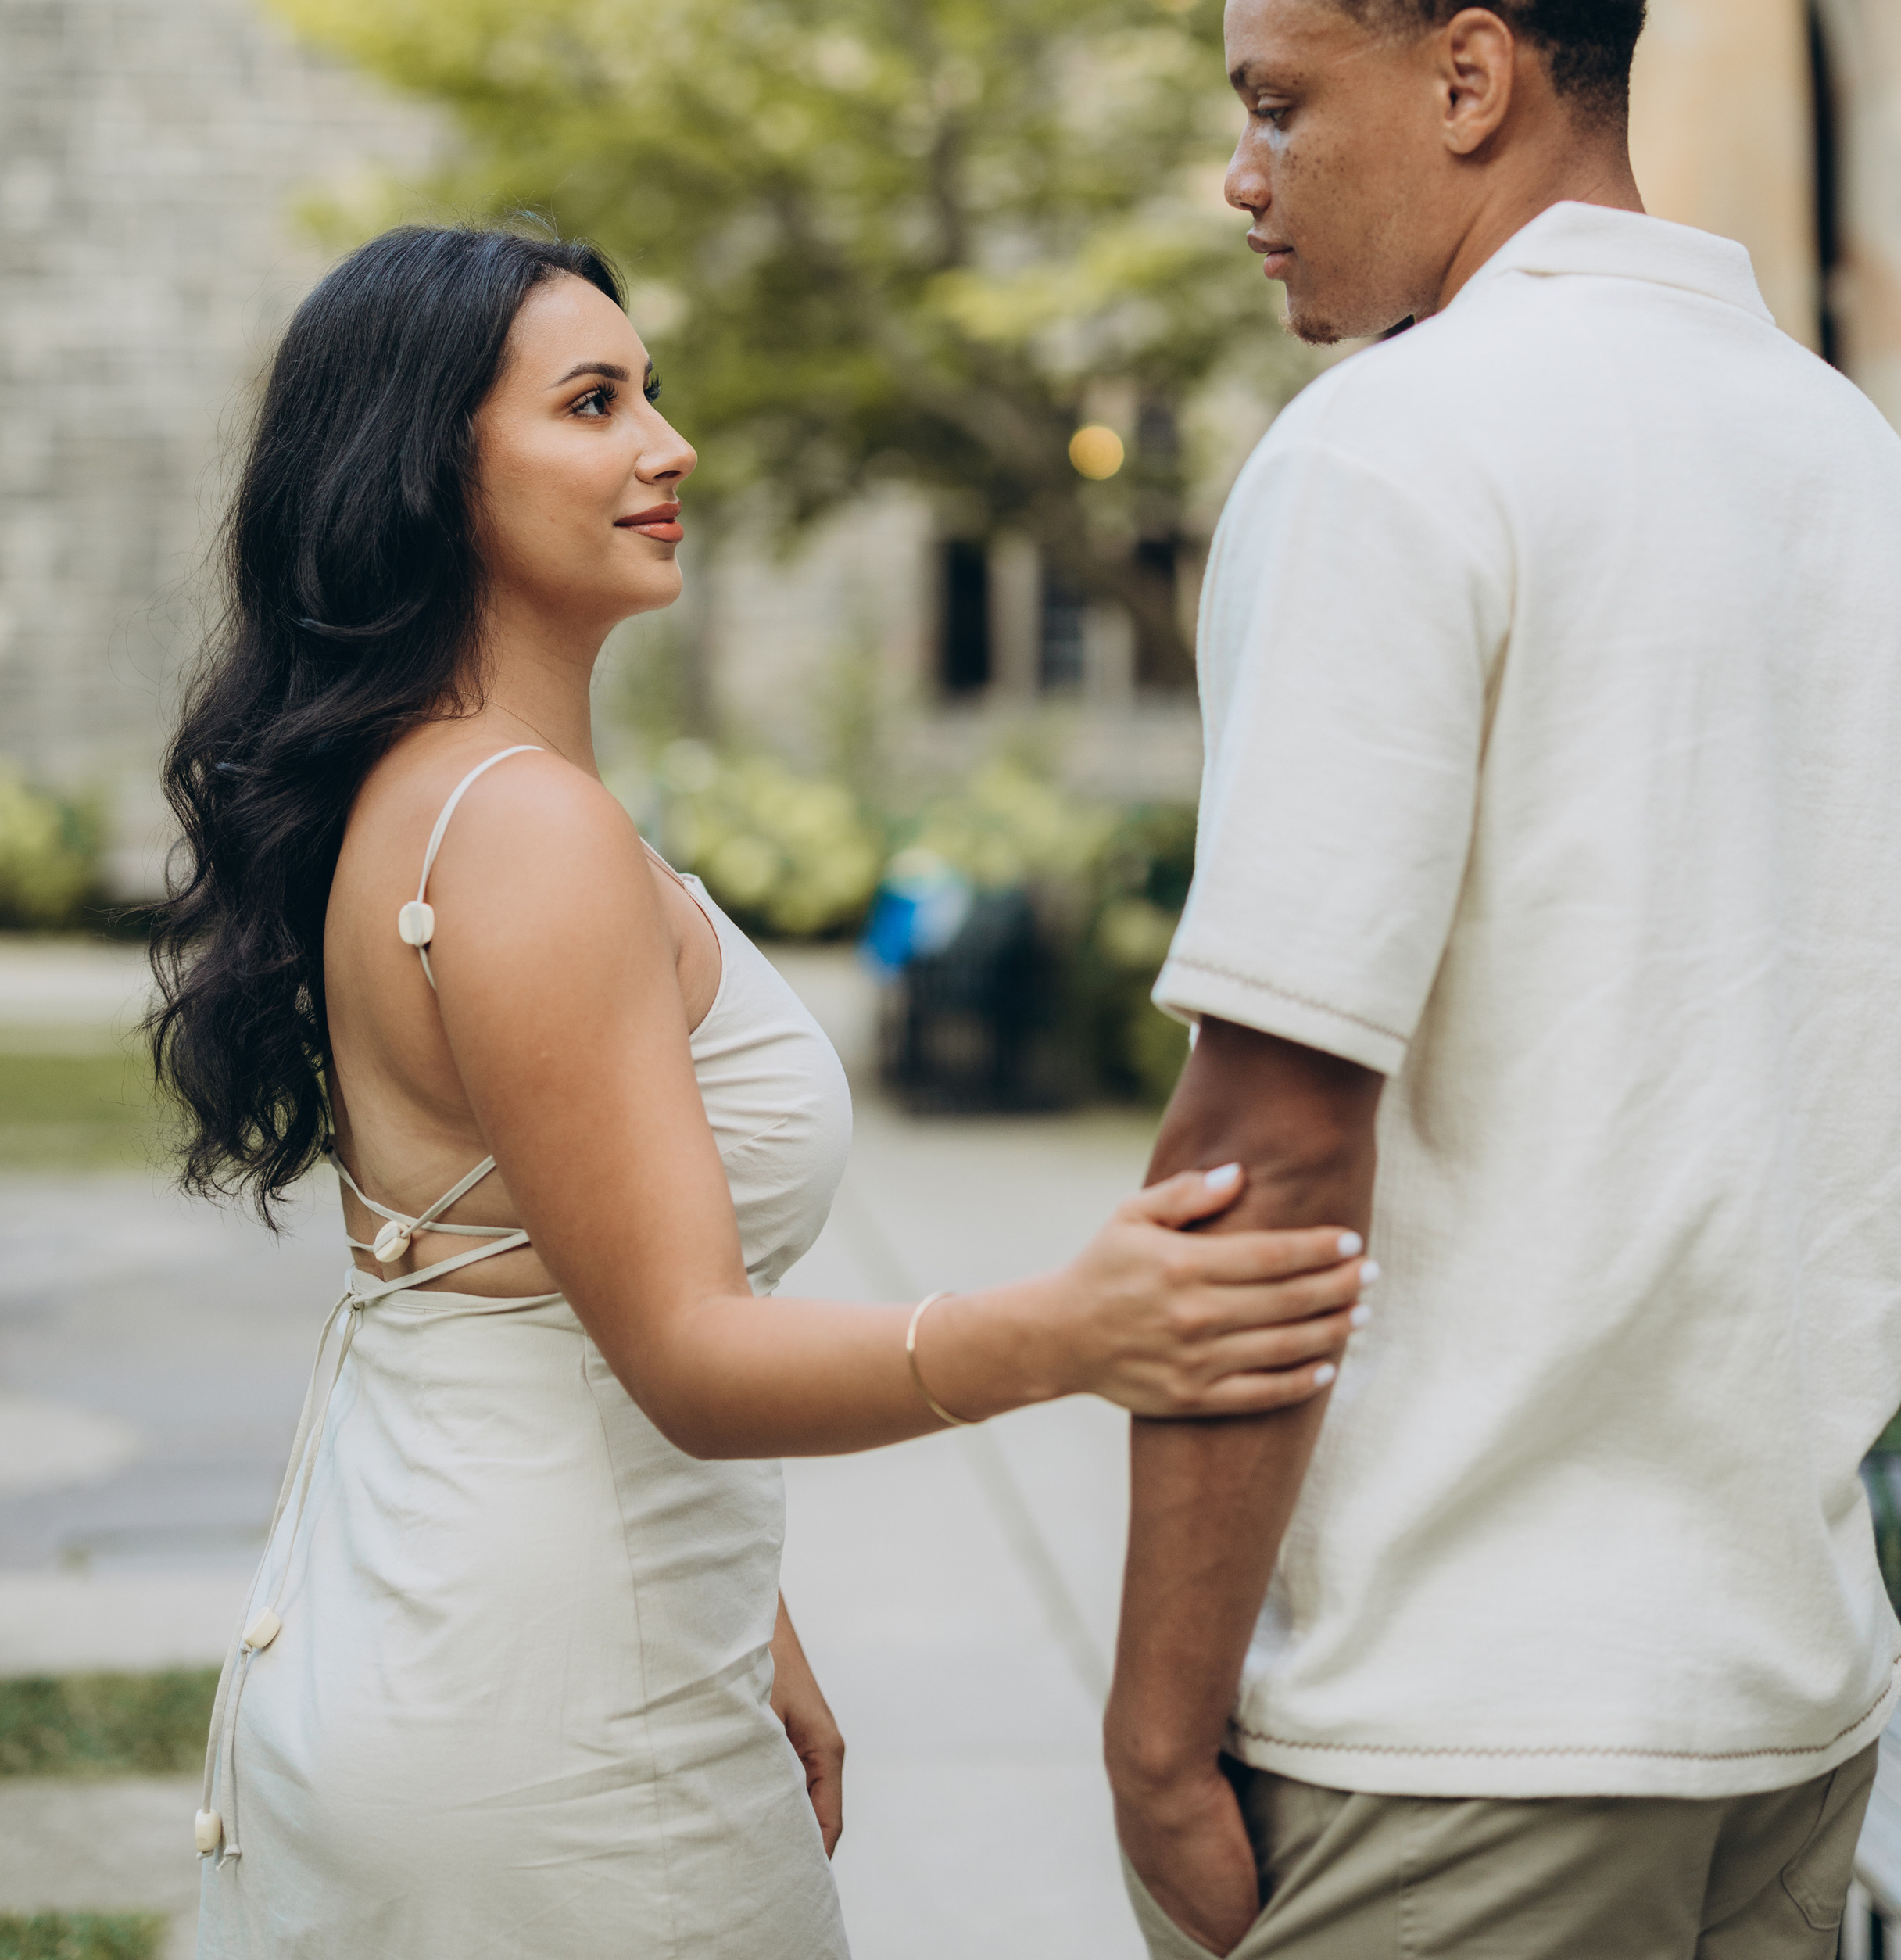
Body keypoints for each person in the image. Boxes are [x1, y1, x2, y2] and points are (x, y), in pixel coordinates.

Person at [149, 222, 1367, 1960]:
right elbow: (690, 1355)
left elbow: (547, 1290)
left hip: (496, 1618)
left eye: (651, 392)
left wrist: (747, 1623)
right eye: (592, 404)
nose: (668, 446)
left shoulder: (434, 794)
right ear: (428, 473)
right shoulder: (519, 830)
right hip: (543, 1705)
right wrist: (1071, 1331)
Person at [1106, 0, 1901, 1960]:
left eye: (1277, 105)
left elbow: (1270, 1151)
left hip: (1450, 1733)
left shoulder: (1391, 456)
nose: (1245, 179)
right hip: (1788, 1716)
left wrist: (1157, 1727)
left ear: (1476, 75)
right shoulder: (1896, 507)